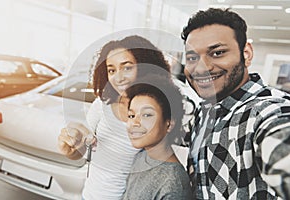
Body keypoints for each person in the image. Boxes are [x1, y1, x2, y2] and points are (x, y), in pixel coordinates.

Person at [181, 8, 290, 199]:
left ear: (246, 54)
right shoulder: (204, 112)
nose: (202, 67)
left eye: (217, 53)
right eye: (192, 57)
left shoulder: (268, 111)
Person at [58, 35, 171, 200]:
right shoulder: (102, 105)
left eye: (127, 67)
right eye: (112, 70)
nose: (119, 77)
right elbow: (81, 153)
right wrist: (70, 149)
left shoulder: (157, 111)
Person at [122, 74, 192, 200]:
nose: (134, 123)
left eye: (147, 115)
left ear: (169, 124)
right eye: (131, 115)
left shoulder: (174, 182)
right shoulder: (141, 156)